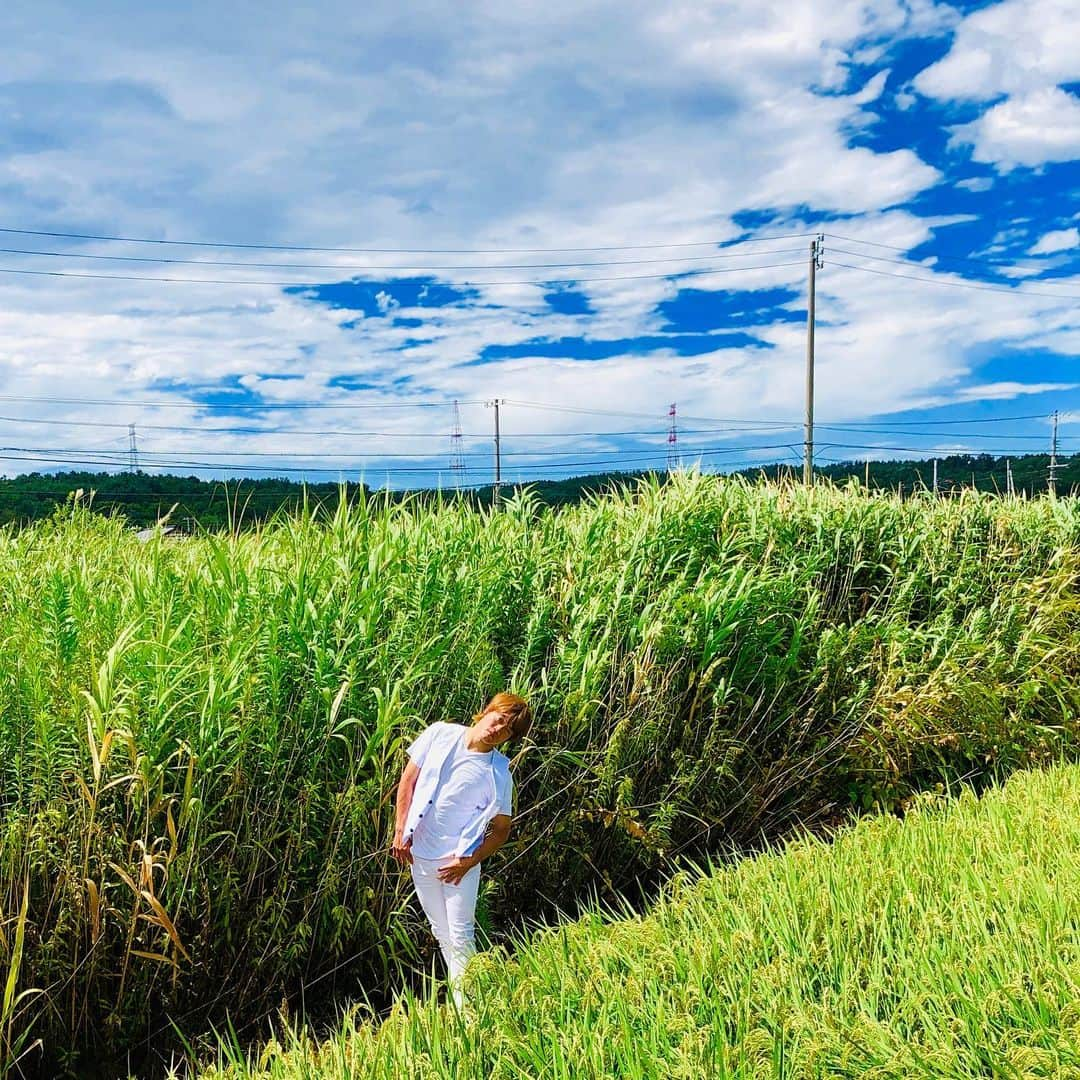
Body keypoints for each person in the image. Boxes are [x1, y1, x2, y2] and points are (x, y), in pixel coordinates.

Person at [391, 692, 532, 1007]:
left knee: (461, 934)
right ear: (486, 712)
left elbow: (501, 829)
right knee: (442, 934)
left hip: (457, 864)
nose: (498, 730)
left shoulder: (498, 773)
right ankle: (466, 1003)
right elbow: (408, 781)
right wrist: (401, 830)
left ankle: (468, 1014)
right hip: (420, 856)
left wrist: (469, 862)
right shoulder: (440, 733)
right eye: (498, 720)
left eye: (508, 730)